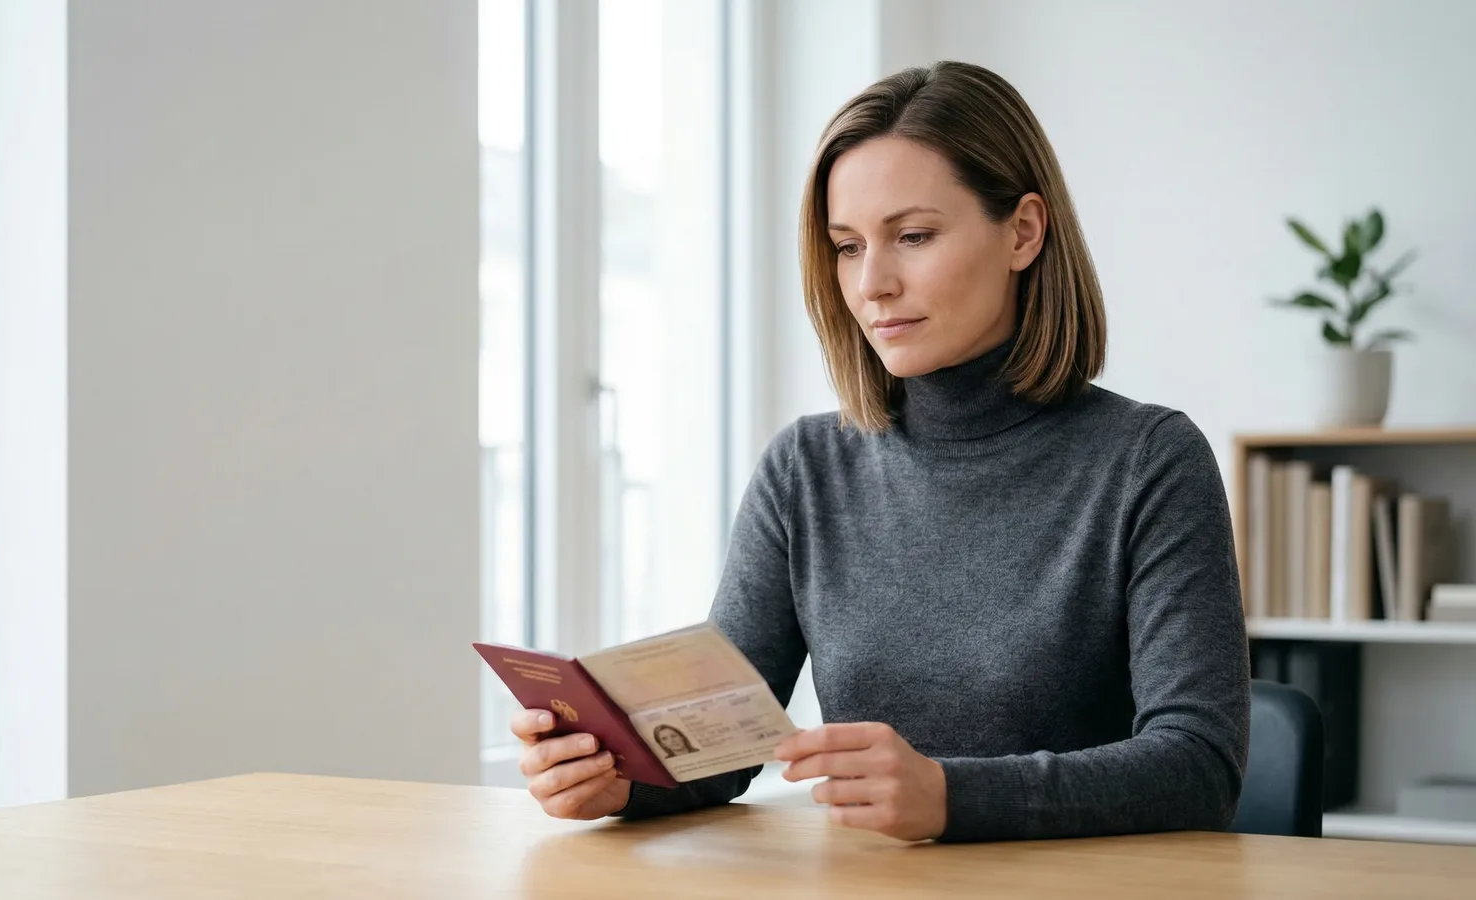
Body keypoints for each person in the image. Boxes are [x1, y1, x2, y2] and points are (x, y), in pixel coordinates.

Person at [511, 60, 1249, 842]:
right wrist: (617, 777)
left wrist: (950, 797)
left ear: (1024, 232)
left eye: (914, 236)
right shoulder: (805, 469)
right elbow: (723, 750)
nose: (872, 284)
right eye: (847, 246)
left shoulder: (1148, 460)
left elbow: (1199, 766)